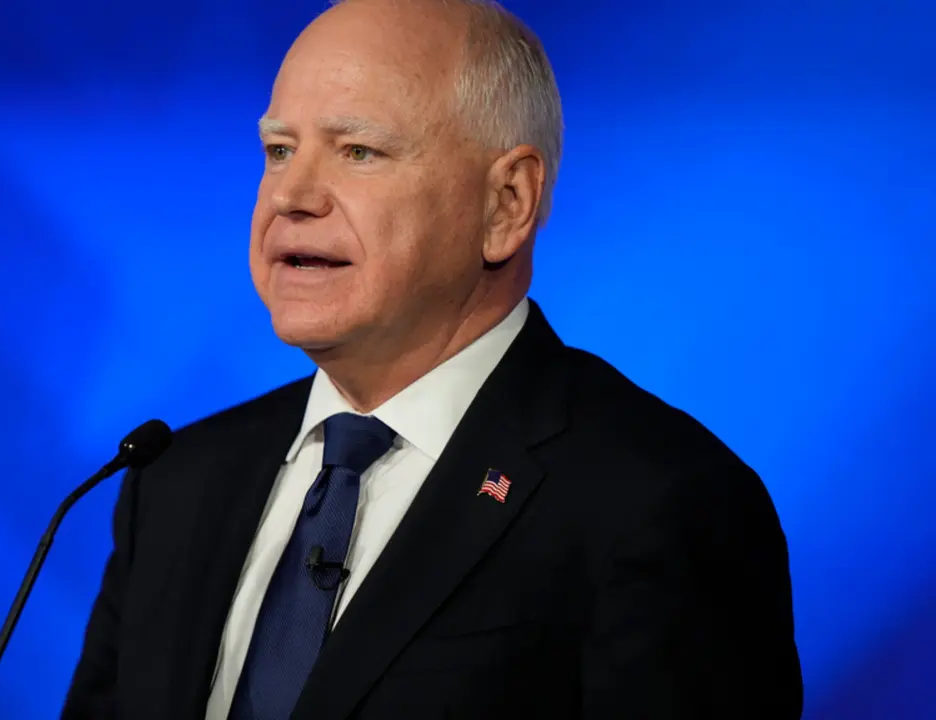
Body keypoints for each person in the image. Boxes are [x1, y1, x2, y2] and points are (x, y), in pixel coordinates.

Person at [61, 0, 803, 717]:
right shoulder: (174, 481)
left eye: (359, 151)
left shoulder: (659, 503)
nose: (291, 195)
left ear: (506, 203)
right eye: (279, 150)